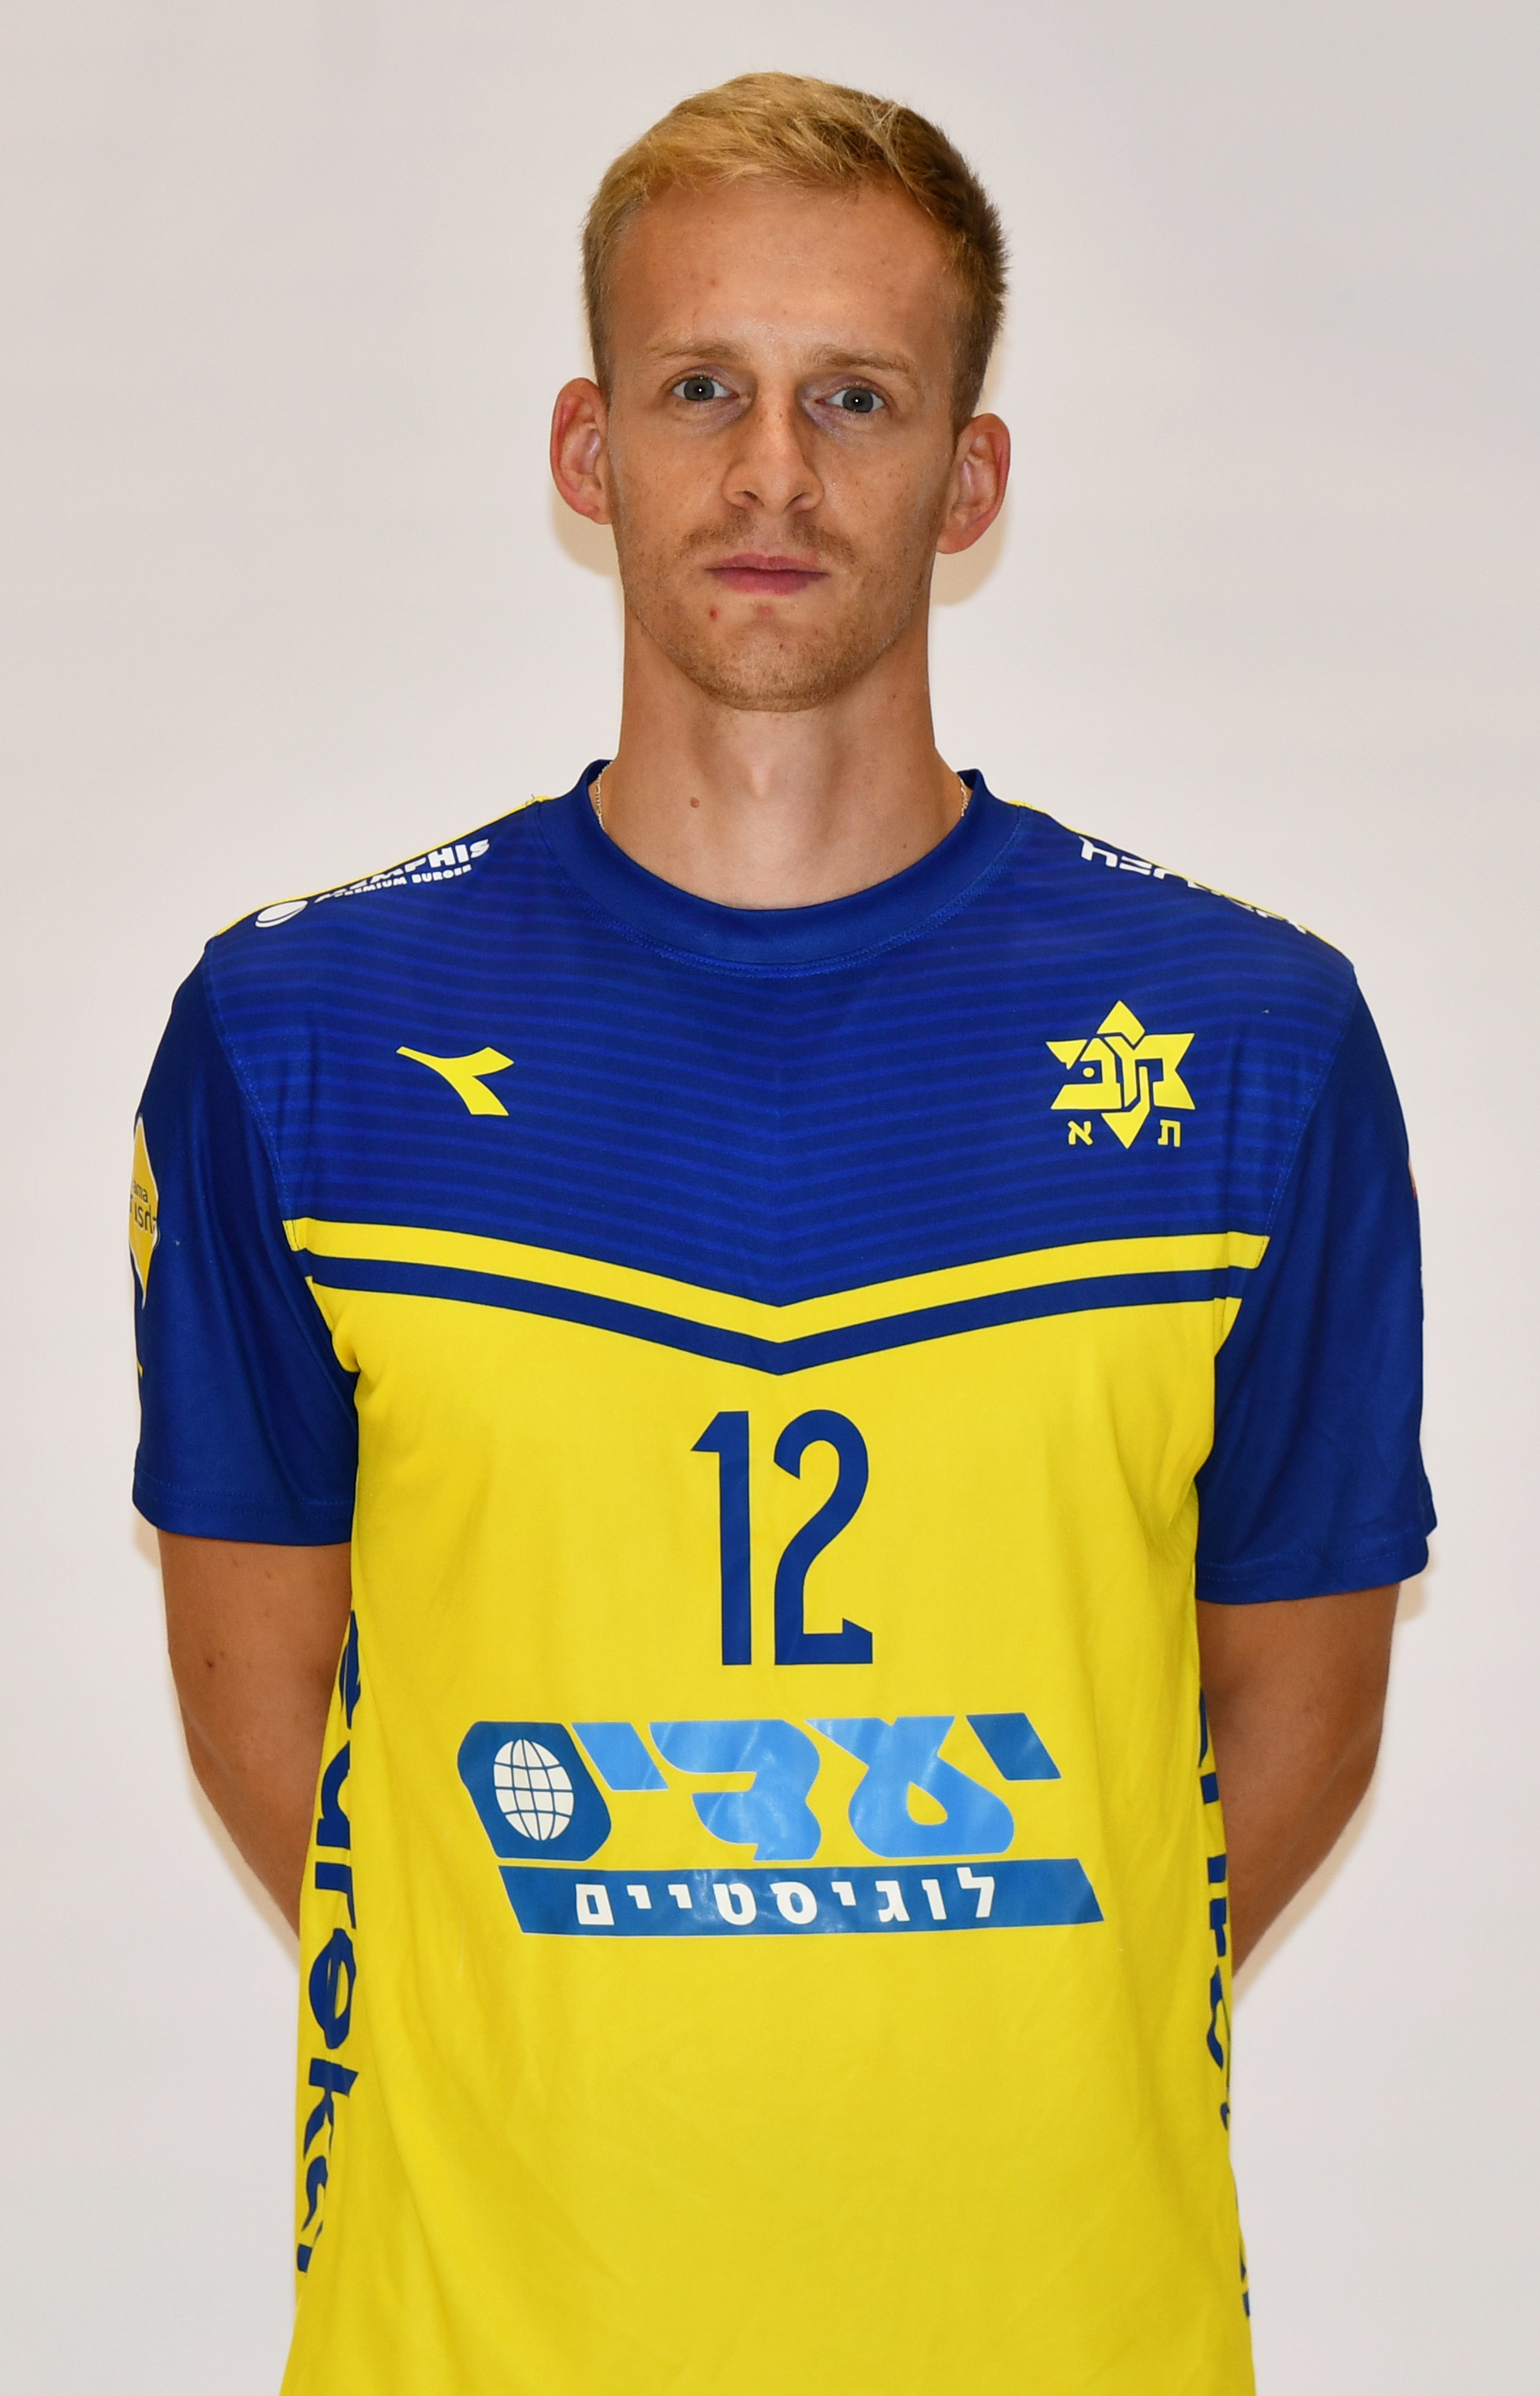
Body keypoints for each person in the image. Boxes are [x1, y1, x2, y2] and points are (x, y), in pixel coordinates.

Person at [131, 72, 1433, 2396]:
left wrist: (978, 2012)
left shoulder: (1254, 1042)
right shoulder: (298, 1032)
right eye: (698, 389)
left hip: (1065, 2337)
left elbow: (1302, 1706)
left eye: (856, 398)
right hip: (479, 2342)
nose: (771, 473)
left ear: (970, 478)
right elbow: (277, 1725)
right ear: (586, 448)